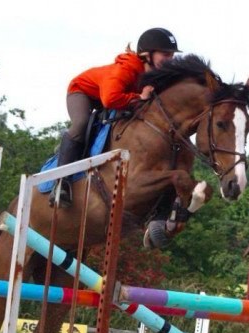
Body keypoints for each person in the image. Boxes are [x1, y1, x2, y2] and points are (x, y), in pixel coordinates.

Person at [50, 28, 181, 208]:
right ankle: (60, 182)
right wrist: (139, 98)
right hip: (82, 93)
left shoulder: (154, 74)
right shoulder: (126, 68)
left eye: (172, 55)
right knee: (81, 123)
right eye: (165, 54)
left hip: (108, 98)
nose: (170, 59)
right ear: (147, 54)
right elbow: (110, 99)